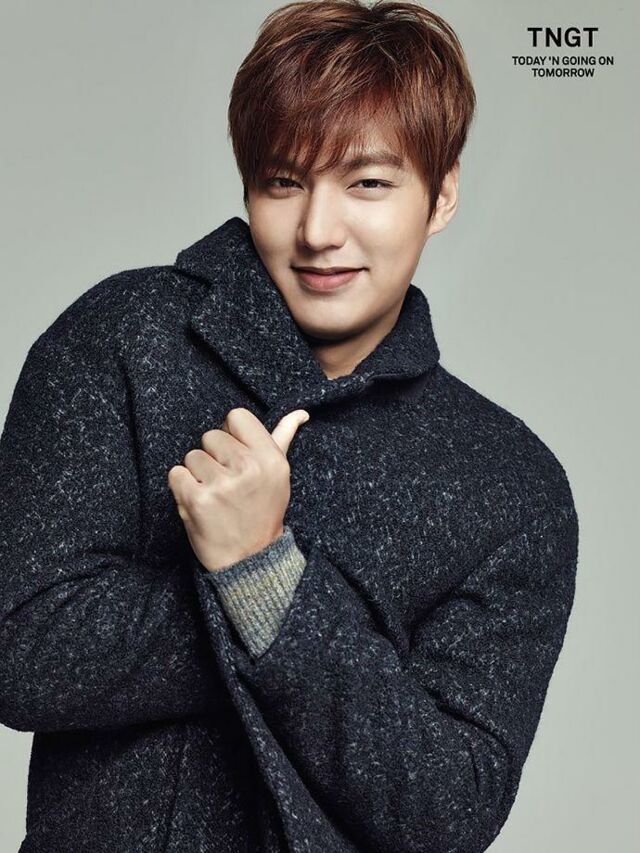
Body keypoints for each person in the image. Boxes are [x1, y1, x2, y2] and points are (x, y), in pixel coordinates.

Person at [0, 2, 579, 851]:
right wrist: (284, 608)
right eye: (285, 181)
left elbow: (450, 810)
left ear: (443, 193)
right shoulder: (125, 338)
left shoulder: (510, 482)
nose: (317, 231)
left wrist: (266, 572)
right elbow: (19, 649)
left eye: (368, 184)